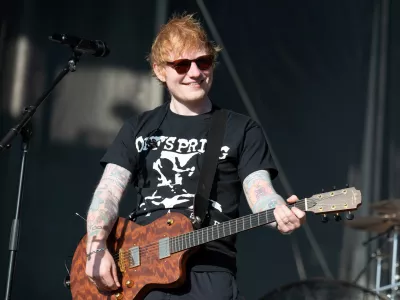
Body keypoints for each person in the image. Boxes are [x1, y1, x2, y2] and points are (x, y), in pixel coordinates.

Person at [85, 13, 306, 300]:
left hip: (209, 272)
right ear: (160, 70)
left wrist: (278, 211)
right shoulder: (137, 128)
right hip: (138, 273)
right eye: (181, 64)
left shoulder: (241, 129)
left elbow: (261, 192)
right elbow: (108, 192)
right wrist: (97, 247)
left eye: (203, 62)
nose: (194, 72)